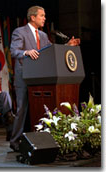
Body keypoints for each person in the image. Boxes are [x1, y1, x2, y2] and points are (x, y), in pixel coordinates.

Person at [9, 5, 80, 152]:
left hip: (40, 77)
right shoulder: (19, 32)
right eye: (42, 15)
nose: (44, 18)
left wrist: (67, 45)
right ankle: (14, 141)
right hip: (24, 76)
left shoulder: (43, 35)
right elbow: (14, 51)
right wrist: (26, 52)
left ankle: (41, 140)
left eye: (45, 16)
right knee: (22, 108)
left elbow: (50, 51)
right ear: (33, 17)